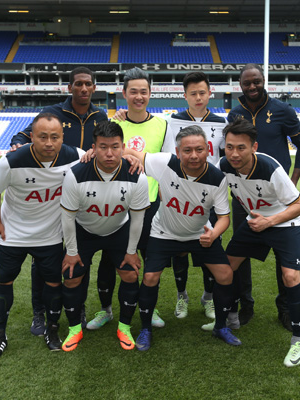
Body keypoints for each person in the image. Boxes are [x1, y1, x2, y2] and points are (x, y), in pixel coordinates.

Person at [10, 67, 108, 336]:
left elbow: (107, 142)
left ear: (94, 87)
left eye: (88, 84)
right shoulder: (52, 114)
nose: (84, 89)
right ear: (70, 88)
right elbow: (24, 134)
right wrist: (17, 144)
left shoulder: (100, 116)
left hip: (86, 198)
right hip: (52, 199)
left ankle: (78, 306)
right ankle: (39, 313)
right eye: (78, 84)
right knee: (44, 260)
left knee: (80, 257)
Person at [125, 125, 241, 351]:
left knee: (226, 275)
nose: (194, 155)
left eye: (199, 149)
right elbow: (128, 151)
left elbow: (224, 218)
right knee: (149, 278)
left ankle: (220, 326)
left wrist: (214, 234)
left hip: (200, 234)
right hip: (164, 232)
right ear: (178, 153)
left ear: (207, 150)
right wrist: (94, 153)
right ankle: (146, 329)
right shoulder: (165, 163)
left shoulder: (217, 178)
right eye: (187, 150)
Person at [0, 113, 85, 360]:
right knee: (4, 281)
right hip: (13, 234)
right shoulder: (12, 160)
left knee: (53, 283)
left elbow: (102, 156)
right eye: (42, 137)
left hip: (49, 235)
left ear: (63, 138)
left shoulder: (75, 156)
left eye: (55, 137)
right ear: (32, 137)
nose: (49, 143)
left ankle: (52, 329)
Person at [219, 118, 300, 367]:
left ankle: (297, 342)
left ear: (254, 147)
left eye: (241, 148)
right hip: (255, 222)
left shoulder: (270, 167)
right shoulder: (224, 165)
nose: (234, 154)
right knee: (225, 268)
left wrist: (270, 222)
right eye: (229, 147)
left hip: (285, 223)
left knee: (290, 277)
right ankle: (231, 315)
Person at [227, 63, 300, 329]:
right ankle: (245, 305)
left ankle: (285, 308)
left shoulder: (283, 110)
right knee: (240, 256)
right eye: (246, 83)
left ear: (264, 81)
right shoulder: (235, 113)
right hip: (246, 198)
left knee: (282, 256)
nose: (252, 87)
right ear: (240, 85)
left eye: (256, 82)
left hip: (278, 196)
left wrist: (293, 180)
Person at [85, 67, 168, 331]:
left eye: (144, 91)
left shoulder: (163, 125)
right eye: (133, 91)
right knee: (110, 260)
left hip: (150, 204)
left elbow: (166, 166)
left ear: (150, 94)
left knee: (149, 261)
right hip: (115, 206)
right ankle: (106, 310)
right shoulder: (114, 124)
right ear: (124, 93)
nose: (139, 96)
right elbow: (96, 152)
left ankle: (149, 306)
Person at [60, 121, 149, 351]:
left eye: (115, 147)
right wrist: (71, 252)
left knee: (130, 275)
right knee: (71, 276)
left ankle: (125, 327)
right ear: (94, 148)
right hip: (84, 230)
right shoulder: (76, 174)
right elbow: (67, 217)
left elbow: (137, 218)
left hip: (118, 229)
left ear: (123, 147)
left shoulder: (136, 175)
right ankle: (74, 330)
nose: (109, 153)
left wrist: (131, 252)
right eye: (103, 147)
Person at [161, 71, 226, 321]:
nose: (198, 97)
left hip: (209, 195)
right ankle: (182, 295)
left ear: (210, 93)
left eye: (202, 92)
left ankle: (208, 297)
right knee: (179, 250)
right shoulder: (172, 121)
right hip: (179, 194)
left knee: (208, 244)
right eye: (193, 93)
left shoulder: (222, 122)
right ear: (185, 95)